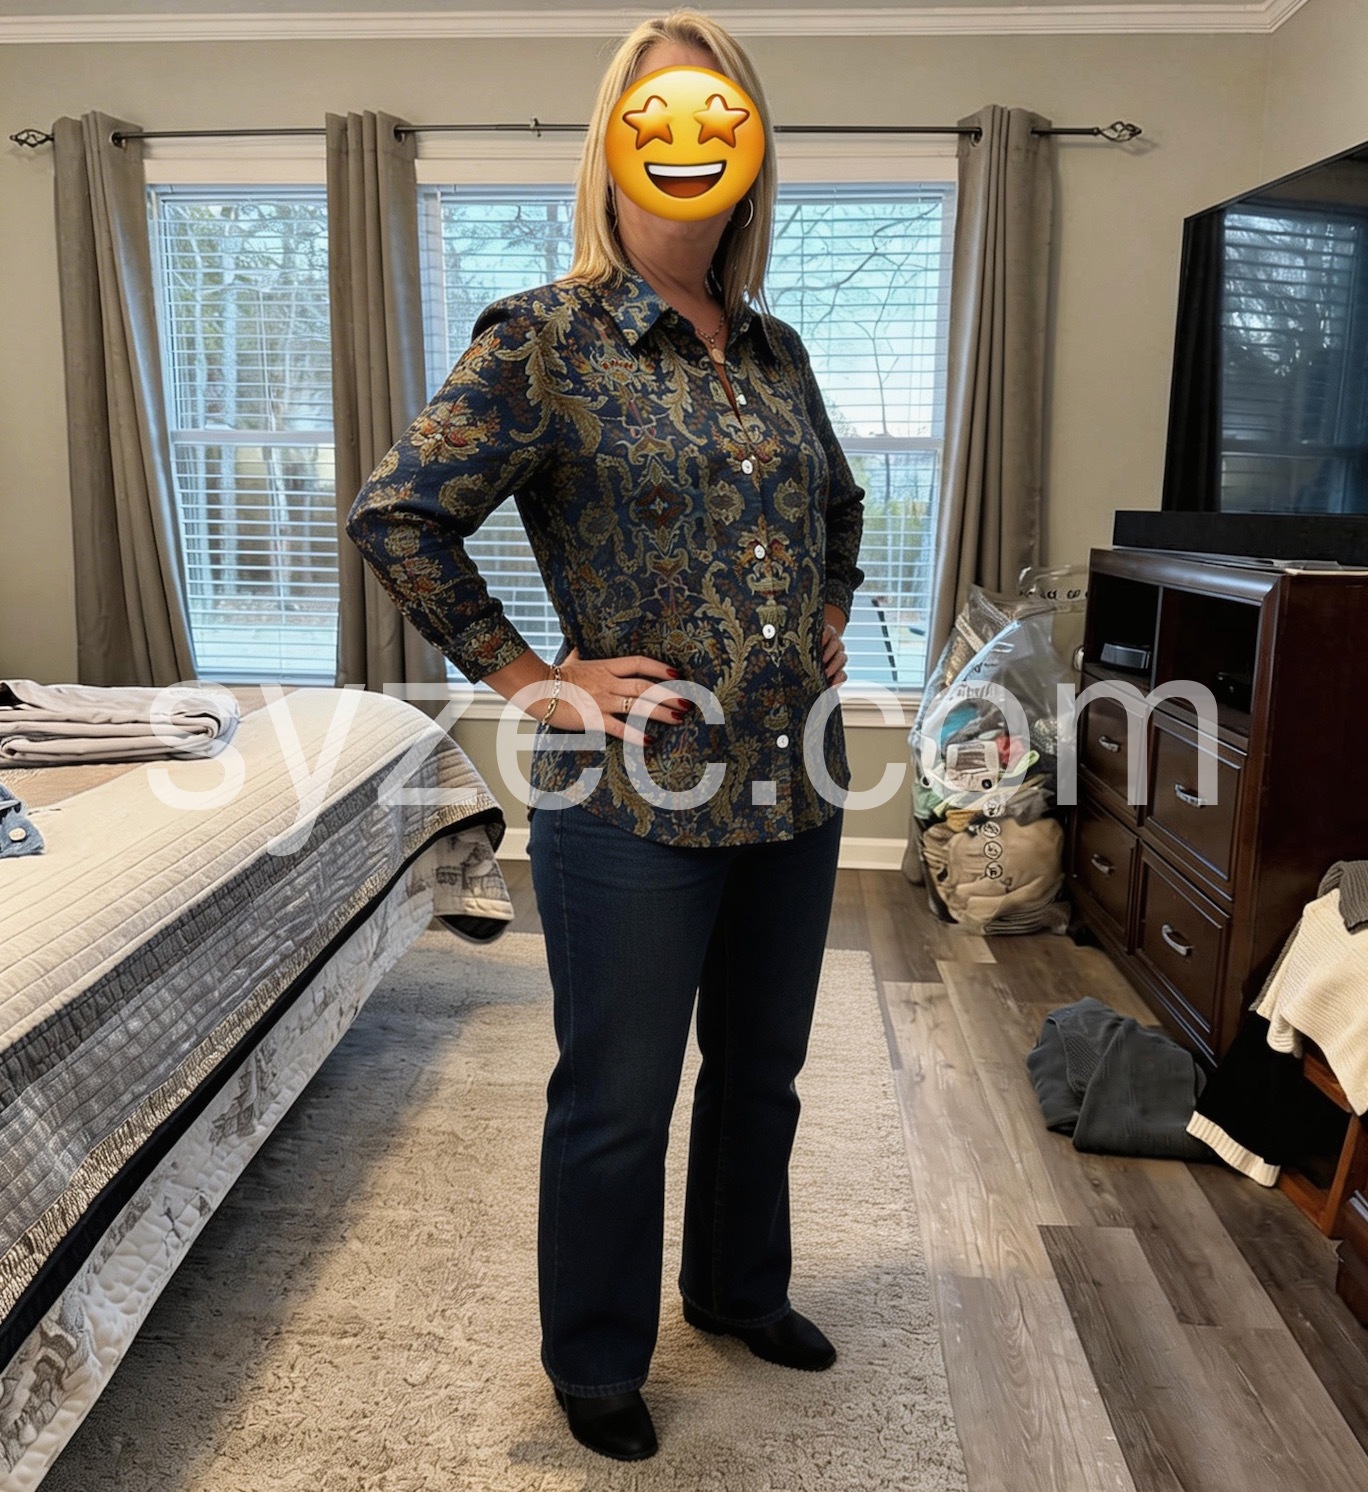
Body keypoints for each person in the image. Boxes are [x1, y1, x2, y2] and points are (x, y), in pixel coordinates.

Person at [346, 7, 866, 1463]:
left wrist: (829, 606)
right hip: (630, 796)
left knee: (760, 1074)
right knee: (617, 1097)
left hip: (794, 781)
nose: (689, 143)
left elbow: (836, 503)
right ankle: (592, 1359)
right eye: (660, 117)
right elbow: (399, 515)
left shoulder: (776, 349)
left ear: (750, 150)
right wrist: (532, 678)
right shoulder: (543, 339)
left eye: (718, 117)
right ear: (614, 145)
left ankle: (738, 1291)